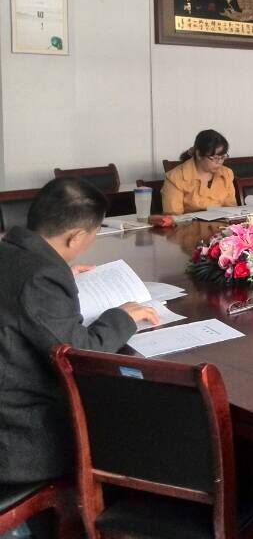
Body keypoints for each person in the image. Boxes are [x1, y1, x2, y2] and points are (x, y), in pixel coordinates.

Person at [0, 179, 159, 493]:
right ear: (75, 237)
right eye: (93, 233)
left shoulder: (10, 252)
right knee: (135, 413)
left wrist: (57, 275)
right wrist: (122, 316)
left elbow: (20, 291)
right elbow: (79, 353)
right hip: (20, 439)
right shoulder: (42, 277)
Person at [162, 129, 237, 214]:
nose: (219, 162)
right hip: (189, 222)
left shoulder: (226, 174)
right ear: (199, 154)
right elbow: (174, 216)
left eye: (223, 157)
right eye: (214, 158)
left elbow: (232, 210)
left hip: (222, 222)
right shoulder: (175, 178)